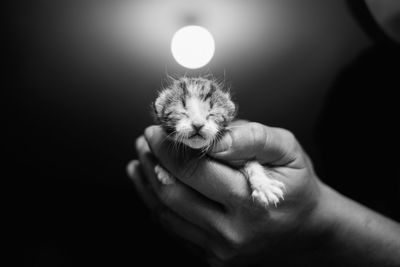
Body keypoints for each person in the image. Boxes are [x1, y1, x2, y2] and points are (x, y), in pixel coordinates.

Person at [127, 1, 400, 266]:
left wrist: (319, 217)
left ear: (227, 113)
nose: (198, 123)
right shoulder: (353, 92)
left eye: (210, 114)